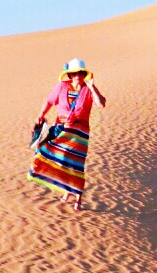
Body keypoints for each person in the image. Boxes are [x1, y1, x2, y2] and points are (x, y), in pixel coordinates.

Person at [30, 59, 107, 211]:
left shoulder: (88, 89)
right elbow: (49, 101)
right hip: (62, 128)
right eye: (74, 73)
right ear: (70, 75)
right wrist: (41, 114)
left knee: (75, 164)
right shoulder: (62, 86)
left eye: (80, 73)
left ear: (84, 74)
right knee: (45, 151)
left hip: (79, 133)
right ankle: (67, 190)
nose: (77, 75)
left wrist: (92, 87)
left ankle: (77, 197)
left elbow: (101, 104)